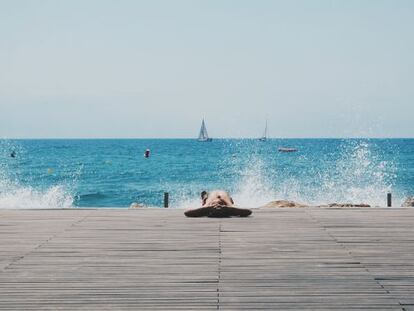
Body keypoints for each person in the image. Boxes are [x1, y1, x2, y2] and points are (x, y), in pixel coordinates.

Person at [184, 190, 252, 218]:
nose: (217, 206)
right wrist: (226, 208)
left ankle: (204, 196)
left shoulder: (207, 206)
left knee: (205, 197)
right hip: (226, 197)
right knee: (230, 200)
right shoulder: (229, 206)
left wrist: (209, 208)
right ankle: (204, 195)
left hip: (209, 198)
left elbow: (187, 213)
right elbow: (248, 211)